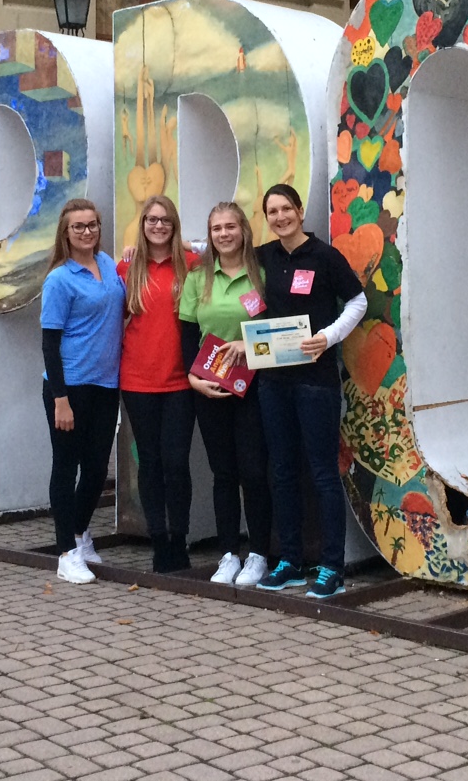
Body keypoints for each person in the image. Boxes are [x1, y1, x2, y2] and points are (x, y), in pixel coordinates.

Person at [253, 184, 367, 598]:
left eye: (286, 208)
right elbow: (216, 251)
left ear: (300, 212)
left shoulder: (324, 256)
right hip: (273, 382)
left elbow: (357, 302)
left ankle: (332, 566)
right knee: (282, 472)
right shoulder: (263, 257)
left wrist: (328, 337)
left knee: (322, 473)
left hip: (315, 382)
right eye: (272, 211)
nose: (280, 217)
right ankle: (290, 561)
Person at [178, 202, 274, 588]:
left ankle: (259, 555)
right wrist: (192, 378)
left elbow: (275, 328)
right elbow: (187, 333)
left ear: (243, 230)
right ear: (210, 235)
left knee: (254, 472)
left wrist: (247, 346)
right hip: (210, 387)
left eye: (230, 226)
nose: (223, 234)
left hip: (254, 387)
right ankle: (228, 554)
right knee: (223, 473)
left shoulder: (261, 273)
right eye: (216, 228)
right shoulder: (198, 278)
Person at [41, 198, 125, 584]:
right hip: (69, 388)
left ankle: (79, 533)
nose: (87, 232)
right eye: (79, 226)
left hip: (106, 384)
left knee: (96, 468)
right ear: (66, 232)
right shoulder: (59, 279)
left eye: (92, 225)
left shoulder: (107, 265)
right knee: (66, 466)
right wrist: (60, 400)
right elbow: (49, 344)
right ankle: (66, 553)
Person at [118, 195, 199, 574]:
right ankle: (159, 541)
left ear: (174, 225)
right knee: (149, 462)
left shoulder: (191, 265)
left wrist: (189, 243)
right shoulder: (127, 267)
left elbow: (219, 248)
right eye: (151, 219)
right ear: (143, 224)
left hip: (181, 381)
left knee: (177, 463)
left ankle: (179, 538)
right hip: (138, 381)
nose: (158, 226)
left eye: (165, 220)